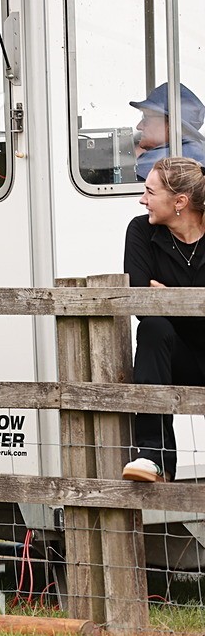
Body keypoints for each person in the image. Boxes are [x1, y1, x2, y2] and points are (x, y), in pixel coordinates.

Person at [122, 157, 205, 482]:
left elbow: (156, 299)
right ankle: (153, 458)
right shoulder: (141, 230)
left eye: (150, 192)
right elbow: (142, 303)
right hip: (176, 358)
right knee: (153, 327)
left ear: (180, 201)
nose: (143, 200)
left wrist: (169, 296)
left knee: (160, 321)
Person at [130, 82, 205, 181]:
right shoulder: (197, 152)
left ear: (171, 124)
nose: (139, 126)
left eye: (146, 118)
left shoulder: (158, 160)